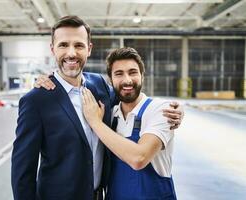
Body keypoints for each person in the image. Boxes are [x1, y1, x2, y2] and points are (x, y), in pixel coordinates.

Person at [11, 16, 183, 200]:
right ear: (53, 49)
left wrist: (175, 110)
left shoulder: (99, 85)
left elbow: (129, 93)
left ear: (89, 49)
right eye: (63, 45)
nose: (71, 53)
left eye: (78, 45)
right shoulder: (37, 100)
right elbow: (23, 170)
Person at [82, 47, 177, 199]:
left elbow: (139, 158)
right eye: (119, 74)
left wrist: (96, 122)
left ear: (142, 76)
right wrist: (52, 77)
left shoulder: (160, 110)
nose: (127, 80)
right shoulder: (111, 115)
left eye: (132, 72)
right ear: (110, 80)